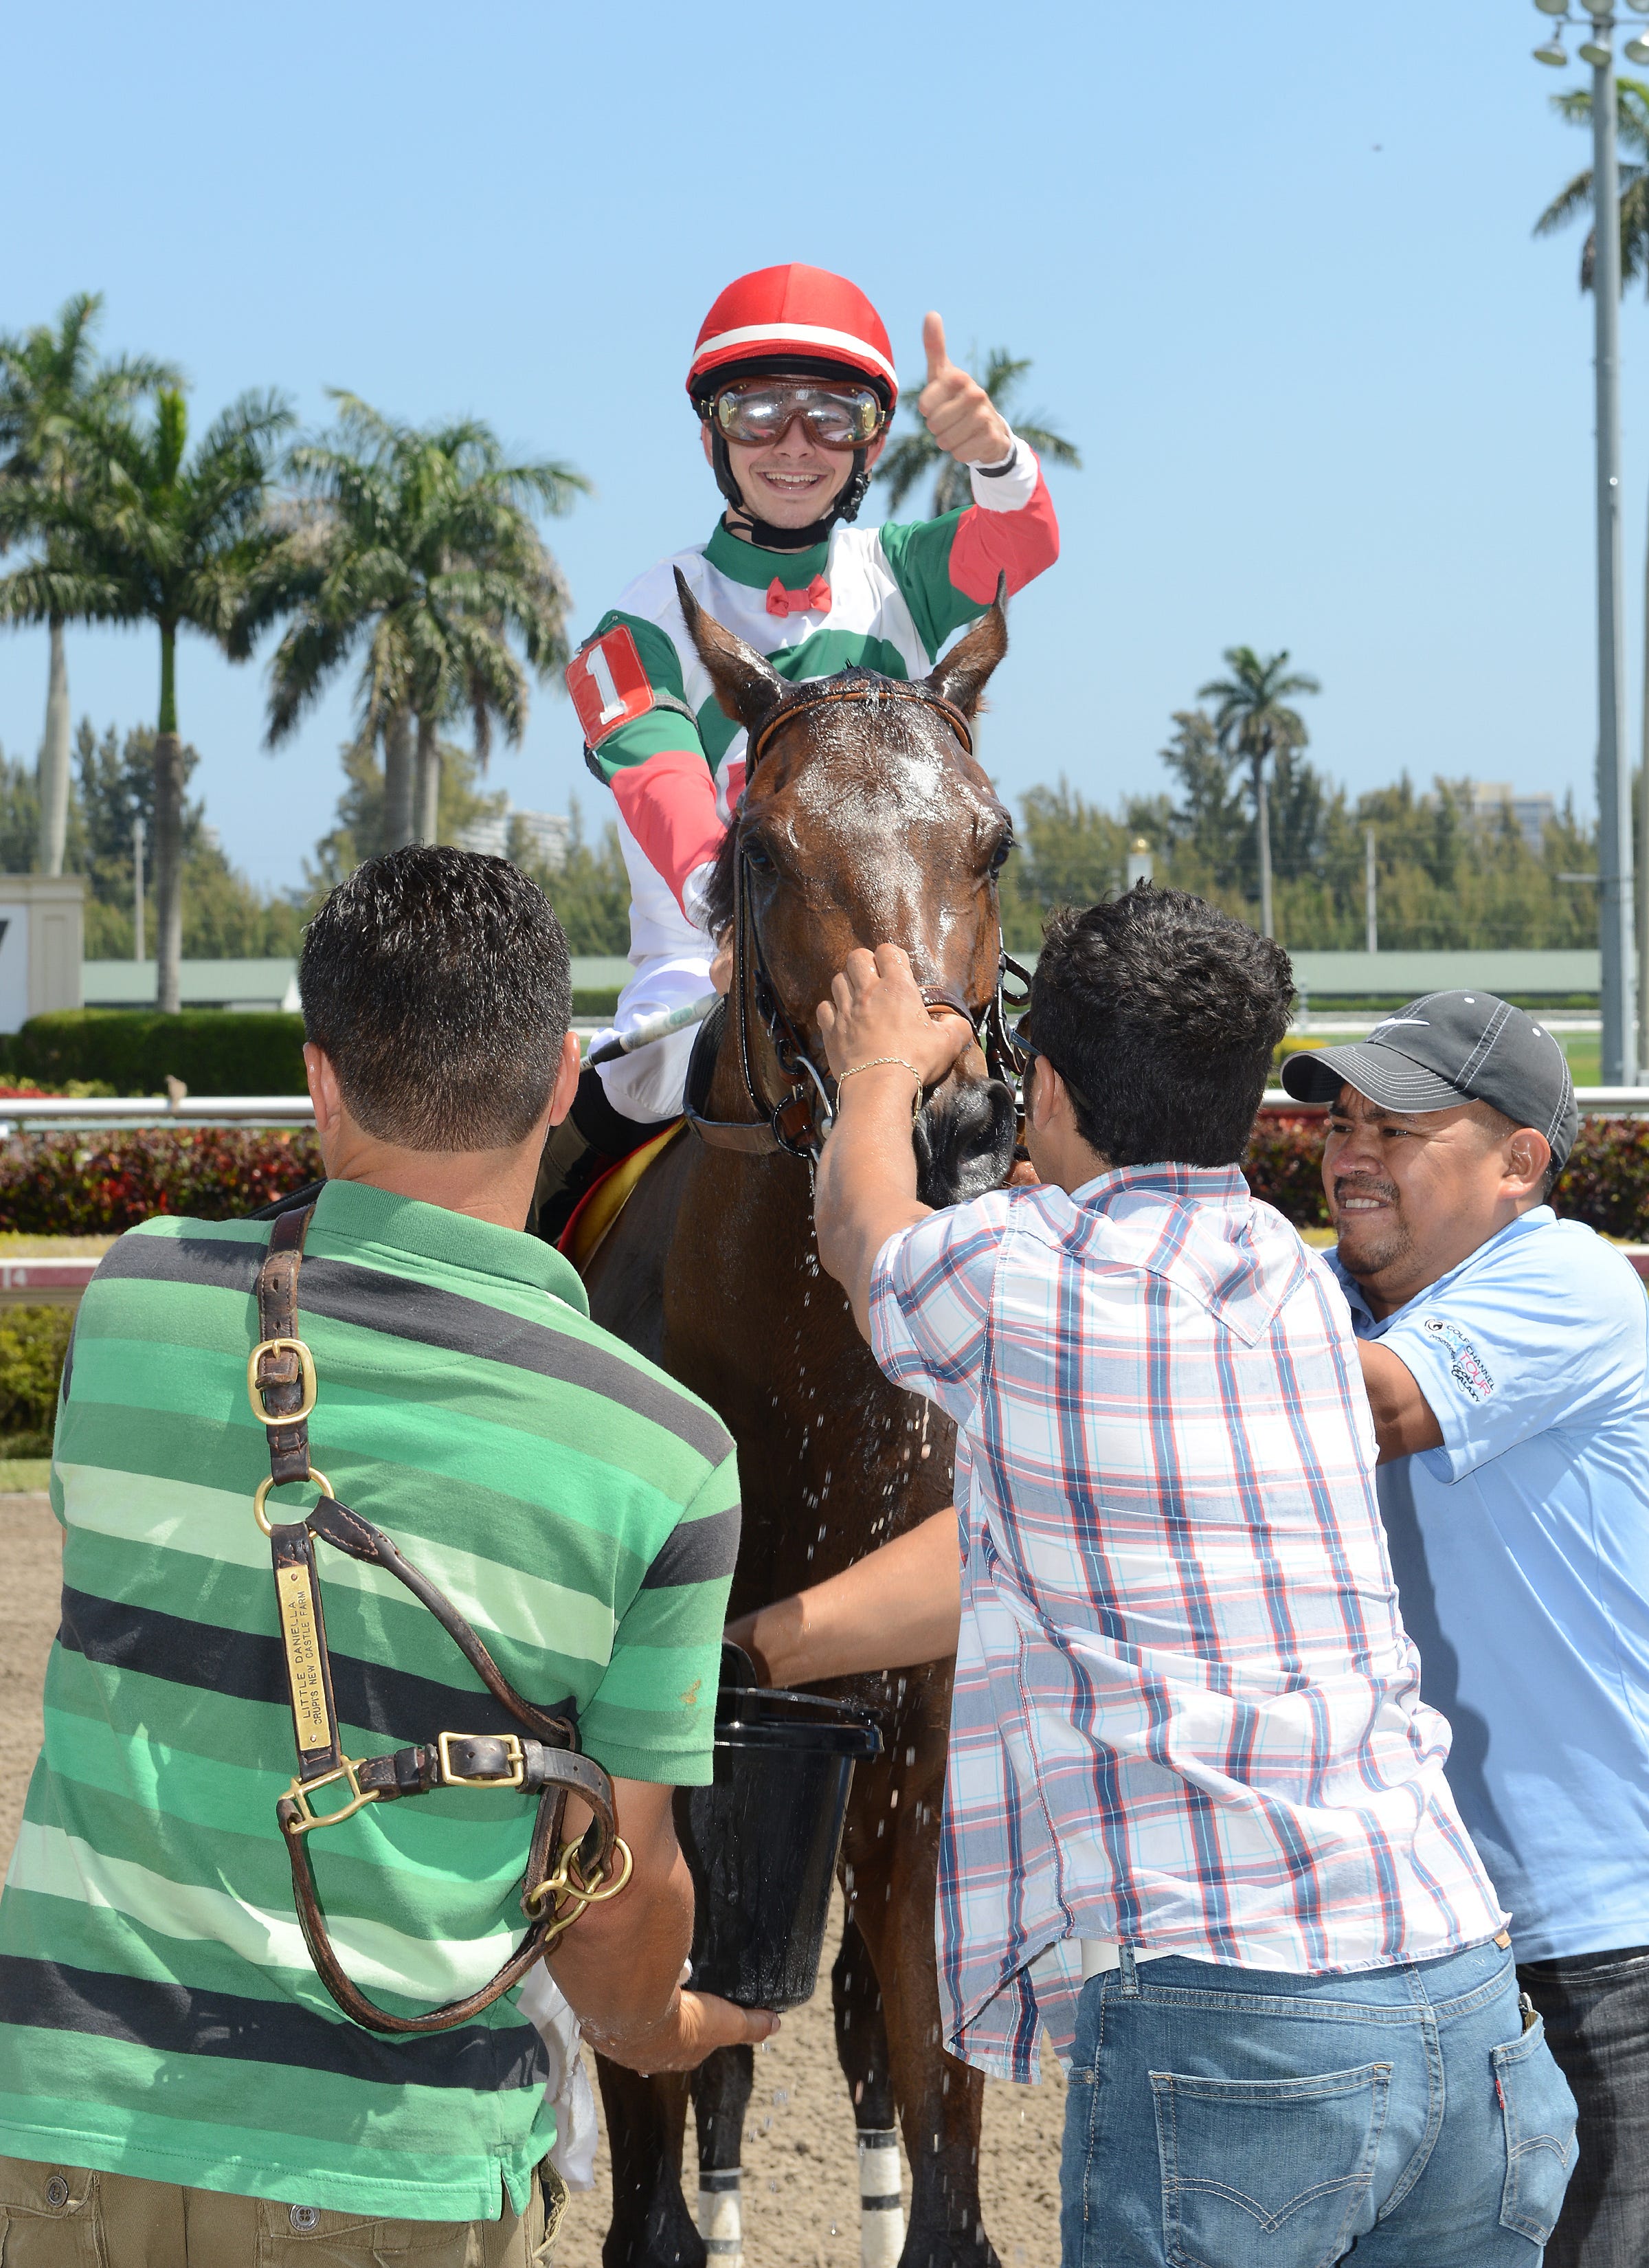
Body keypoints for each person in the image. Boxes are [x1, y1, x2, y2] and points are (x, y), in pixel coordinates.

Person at [733, 890, 1578, 2267]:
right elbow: (1005, 1553)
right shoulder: (1288, 1279)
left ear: (1051, 1090)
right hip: (1463, 1993)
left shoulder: (1016, 1277)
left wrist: (878, 1062)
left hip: (1232, 2026)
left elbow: (858, 1229)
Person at [0, 847, 772, 2265]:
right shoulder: (665, 1456)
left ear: (321, 1079)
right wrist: (665, 2023)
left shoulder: (133, 1301)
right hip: (392, 2175)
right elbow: (612, 1906)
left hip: (63, 2145)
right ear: (564, 1077)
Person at [536, 261, 1061, 1237]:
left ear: (873, 440)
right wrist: (733, 919)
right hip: (711, 963)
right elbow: (663, 789)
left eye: (831, 414)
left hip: (913, 970)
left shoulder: (898, 570)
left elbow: (1021, 543)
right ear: (711, 434)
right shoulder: (643, 621)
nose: (793, 443)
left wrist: (995, 457)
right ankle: (524, 1252)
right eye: (757, 410)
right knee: (634, 1080)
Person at [1281, 992, 1649, 2268]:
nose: (1350, 1152)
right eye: (1341, 1123)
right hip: (1413, 1937)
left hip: (1598, 1942)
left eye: (1398, 1127)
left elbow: (1370, 1410)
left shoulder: (1567, 1279)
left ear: (1520, 1164)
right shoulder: (1320, 1303)